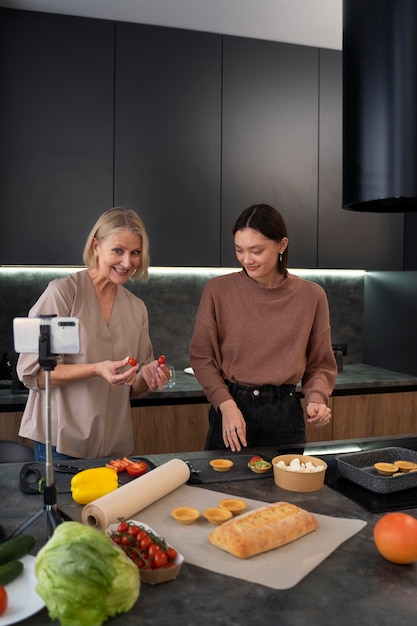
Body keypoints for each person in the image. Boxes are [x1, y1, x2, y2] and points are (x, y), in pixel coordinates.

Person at [17, 207, 170, 461]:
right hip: (61, 442)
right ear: (97, 247)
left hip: (113, 446)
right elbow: (33, 373)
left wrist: (150, 375)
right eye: (118, 251)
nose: (127, 262)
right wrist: (96, 369)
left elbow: (135, 385)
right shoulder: (63, 294)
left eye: (135, 253)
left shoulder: (136, 307)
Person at [190, 203, 337, 452]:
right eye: (239, 250)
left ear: (282, 245)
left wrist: (316, 400)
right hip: (231, 408)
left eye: (256, 251)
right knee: (221, 490)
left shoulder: (312, 296)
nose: (246, 259)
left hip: (286, 414)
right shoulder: (218, 291)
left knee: (287, 490)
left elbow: (320, 364)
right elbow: (202, 357)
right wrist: (226, 405)